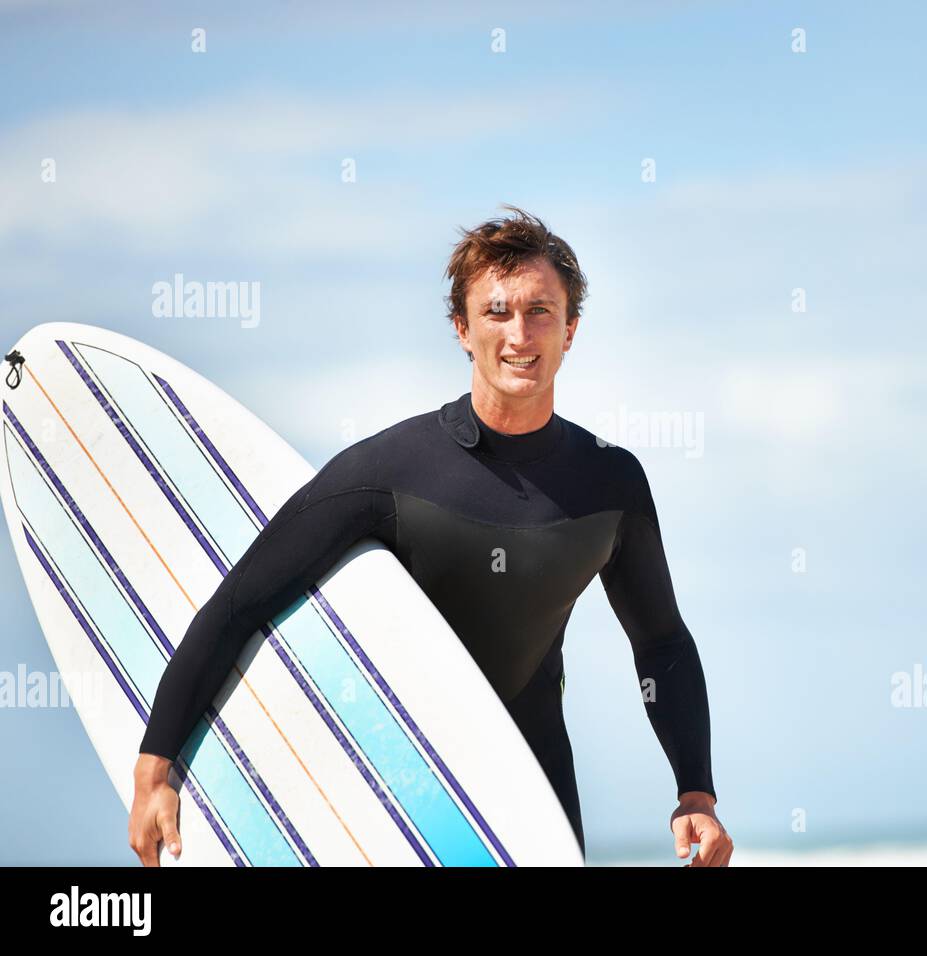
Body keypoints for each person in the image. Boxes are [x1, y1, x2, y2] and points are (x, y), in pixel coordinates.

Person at [128, 206, 731, 866]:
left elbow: (662, 642)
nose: (519, 333)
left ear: (571, 330)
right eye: (497, 312)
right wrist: (156, 769)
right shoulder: (388, 471)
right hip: (391, 799)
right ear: (462, 330)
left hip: (536, 800)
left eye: (540, 311)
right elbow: (242, 602)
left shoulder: (610, 481)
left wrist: (695, 795)